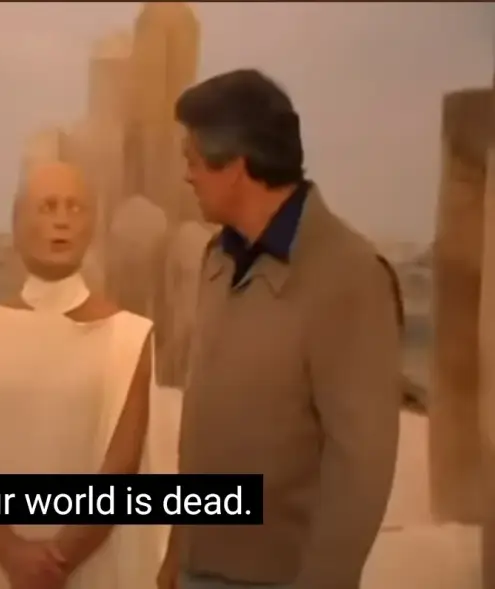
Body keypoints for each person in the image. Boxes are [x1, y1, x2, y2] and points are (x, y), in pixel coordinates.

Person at [158, 69, 401, 589]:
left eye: (193, 160)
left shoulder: (349, 275)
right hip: (198, 568)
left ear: (235, 166)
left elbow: (360, 468)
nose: (188, 176)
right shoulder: (217, 259)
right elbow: (204, 429)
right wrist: (178, 550)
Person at [0, 160, 164, 589]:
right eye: (48, 206)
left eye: (75, 207)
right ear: (17, 223)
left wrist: (54, 563)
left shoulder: (128, 336)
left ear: (92, 224)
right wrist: (12, 554)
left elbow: (121, 469)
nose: (62, 220)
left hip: (95, 567)